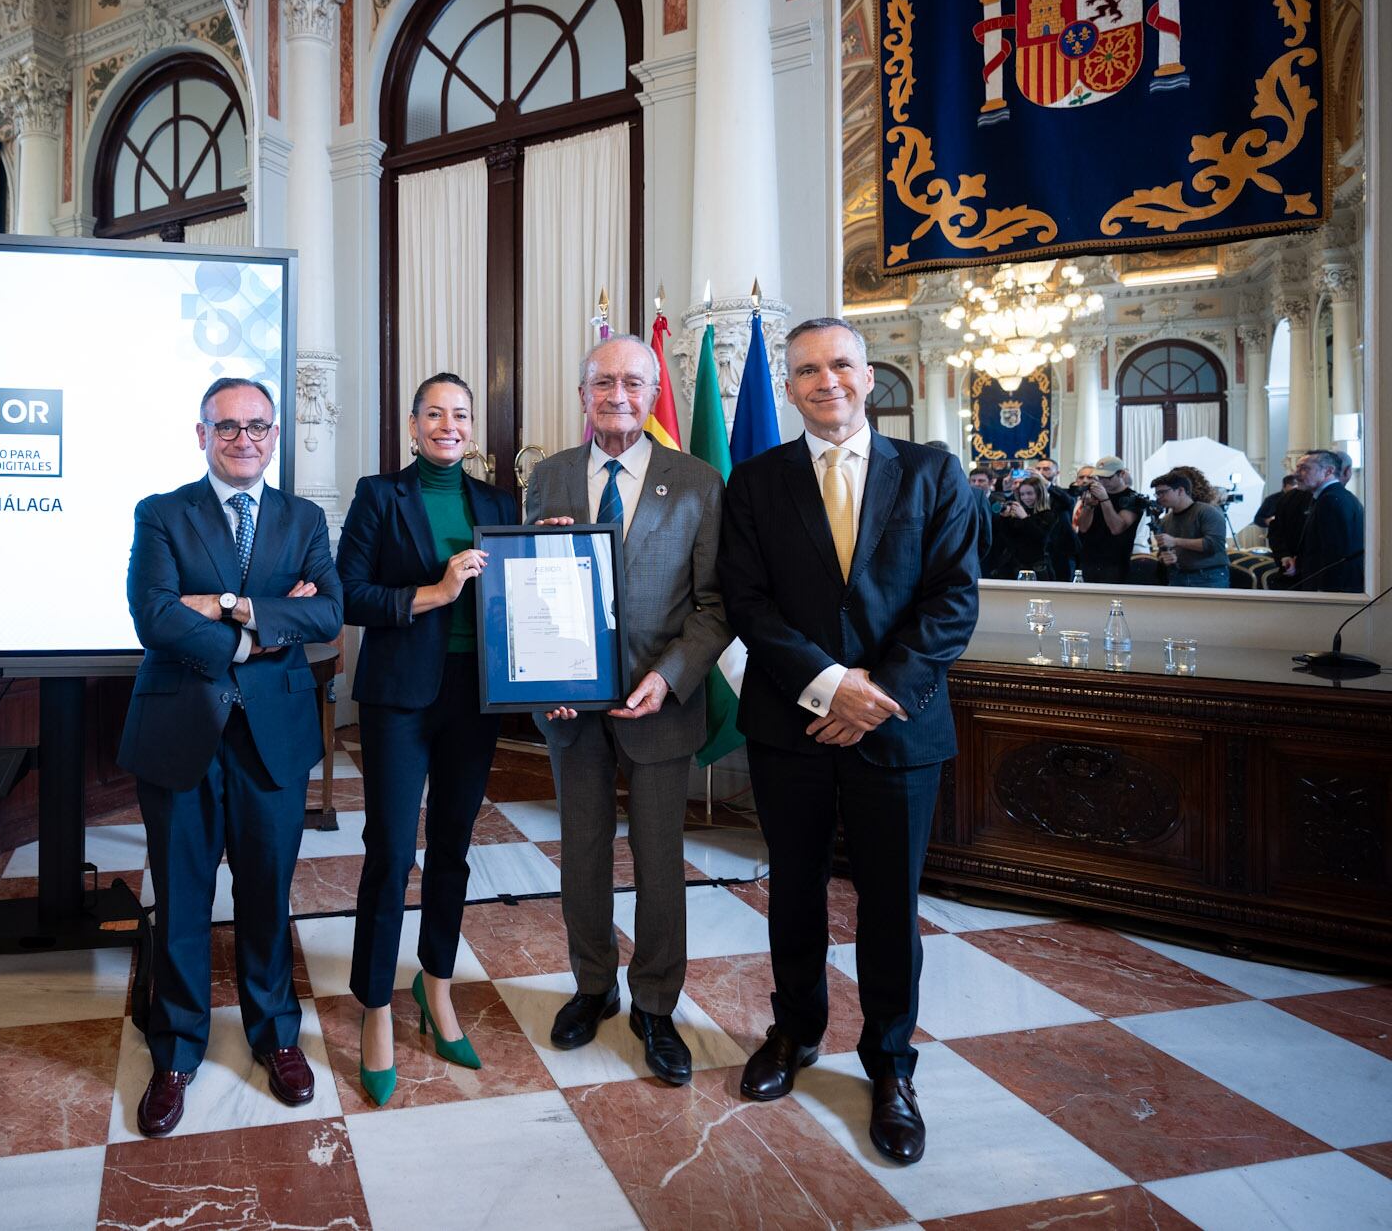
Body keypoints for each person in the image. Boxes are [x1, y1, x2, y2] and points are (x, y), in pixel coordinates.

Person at [718, 317, 983, 1166]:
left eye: (840, 365)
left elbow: (952, 601)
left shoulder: (935, 471)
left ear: (869, 377)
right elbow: (748, 602)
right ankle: (793, 1032)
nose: (824, 380)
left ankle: (891, 1067)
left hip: (900, 731)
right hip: (791, 723)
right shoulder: (755, 481)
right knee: (793, 890)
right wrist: (832, 687)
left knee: (888, 904)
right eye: (805, 370)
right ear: (789, 387)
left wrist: (876, 697)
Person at [118, 376, 344, 1138]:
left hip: (271, 741)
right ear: (202, 433)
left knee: (266, 896)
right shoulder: (162, 513)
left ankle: (276, 1033)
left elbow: (329, 611)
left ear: (275, 434)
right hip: (180, 732)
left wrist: (227, 606)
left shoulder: (303, 516)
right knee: (182, 899)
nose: (243, 438)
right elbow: (153, 615)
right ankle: (177, 1048)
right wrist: (265, 630)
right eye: (227, 427)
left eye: (257, 426)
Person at [522, 334, 730, 1087]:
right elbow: (528, 585)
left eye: (634, 383)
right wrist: (539, 671)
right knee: (581, 851)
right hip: (569, 707)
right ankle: (592, 984)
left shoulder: (700, 480)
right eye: (603, 382)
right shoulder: (546, 479)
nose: (618, 395)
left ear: (652, 395)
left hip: (659, 706)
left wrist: (671, 677)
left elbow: (714, 606)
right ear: (583, 395)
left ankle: (655, 1004)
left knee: (658, 859)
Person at [338, 373, 518, 1105]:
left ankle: (436, 984)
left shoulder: (500, 503)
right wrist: (435, 594)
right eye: (435, 413)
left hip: (474, 698)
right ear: (413, 425)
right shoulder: (380, 495)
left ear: (472, 430)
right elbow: (348, 594)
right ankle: (376, 1006)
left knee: (452, 848)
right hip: (399, 699)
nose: (449, 425)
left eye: (461, 415)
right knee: (389, 852)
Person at [1290, 449, 1365, 591]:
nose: (1296, 474)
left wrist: (1324, 592)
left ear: (1328, 471)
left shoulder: (1330, 500)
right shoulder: (1336, 496)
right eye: (1297, 468)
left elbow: (1336, 556)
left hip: (1332, 590)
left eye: (1304, 468)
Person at [986, 473, 1075, 580]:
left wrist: (1024, 518)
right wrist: (1005, 518)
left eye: (1029, 493)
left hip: (1039, 568)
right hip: (1015, 566)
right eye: (1022, 494)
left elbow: (1041, 539)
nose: (1025, 497)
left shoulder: (1049, 514)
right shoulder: (1018, 513)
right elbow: (1008, 539)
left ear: (1039, 494)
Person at [1150, 473, 1230, 588]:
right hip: (1178, 575)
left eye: (1163, 492)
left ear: (1180, 491)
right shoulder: (1166, 520)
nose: (1159, 497)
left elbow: (1215, 544)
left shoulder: (1207, 511)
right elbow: (1164, 551)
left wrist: (1176, 541)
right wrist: (1165, 557)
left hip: (1209, 576)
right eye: (1157, 493)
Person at [1072, 456, 1144, 582]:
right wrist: (1088, 506)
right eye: (1099, 477)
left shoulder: (1133, 498)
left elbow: (1117, 528)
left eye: (1107, 477)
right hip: (1088, 559)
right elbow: (1082, 528)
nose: (1103, 482)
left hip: (1116, 563)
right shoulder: (1095, 494)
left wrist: (1105, 500)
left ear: (1121, 474)